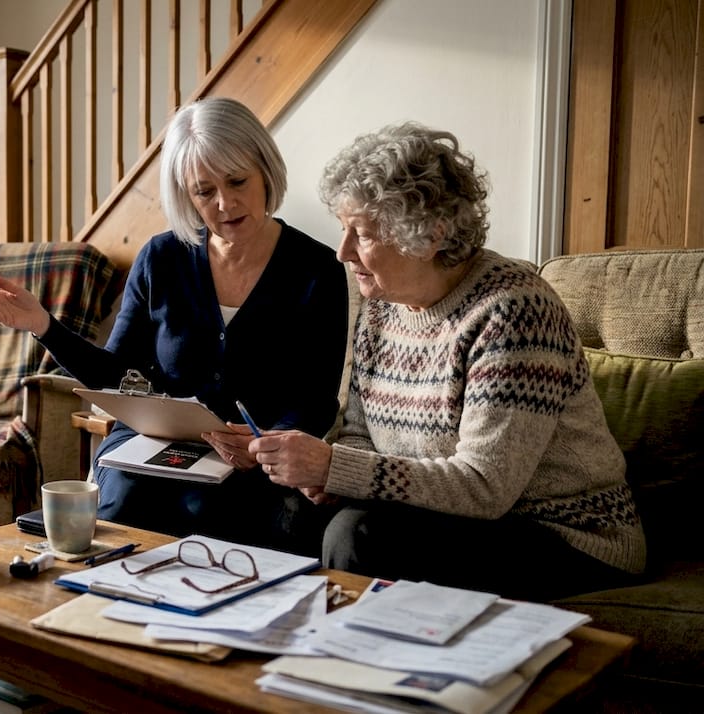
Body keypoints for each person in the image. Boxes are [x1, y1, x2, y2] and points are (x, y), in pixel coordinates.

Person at [248, 122, 646, 600]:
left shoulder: (513, 310)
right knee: (283, 507)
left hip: (563, 532)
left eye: (364, 233)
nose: (343, 252)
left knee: (358, 535)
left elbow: (484, 486)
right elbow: (359, 434)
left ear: (430, 234)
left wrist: (336, 467)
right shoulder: (381, 304)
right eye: (343, 230)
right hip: (439, 513)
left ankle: (347, 667)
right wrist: (323, 477)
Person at [0, 97, 347, 554]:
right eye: (204, 191)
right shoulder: (161, 259)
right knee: (124, 502)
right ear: (187, 196)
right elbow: (119, 375)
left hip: (254, 460)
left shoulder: (317, 268)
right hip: (150, 445)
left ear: (265, 169)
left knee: (217, 514)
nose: (225, 203)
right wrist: (43, 325)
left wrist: (264, 444)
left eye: (238, 180)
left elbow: (316, 399)